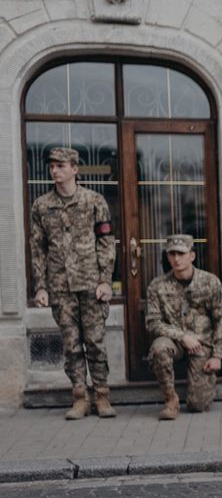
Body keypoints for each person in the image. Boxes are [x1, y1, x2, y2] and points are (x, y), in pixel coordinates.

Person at [29, 146, 116, 420]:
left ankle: (102, 395)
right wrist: (40, 286)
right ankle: (80, 397)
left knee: (95, 343)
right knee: (72, 345)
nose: (55, 170)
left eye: (61, 165)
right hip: (60, 287)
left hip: (91, 285)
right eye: (52, 166)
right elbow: (38, 248)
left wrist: (105, 281)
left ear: (75, 169)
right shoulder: (42, 206)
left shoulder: (94, 201)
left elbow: (106, 243)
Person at [145, 234, 222, 420]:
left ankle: (200, 386)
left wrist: (217, 355)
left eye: (181, 253)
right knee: (159, 348)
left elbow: (221, 319)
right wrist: (182, 336)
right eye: (171, 254)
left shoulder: (210, 282)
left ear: (192, 256)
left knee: (198, 405)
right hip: (175, 341)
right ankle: (171, 401)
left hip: (202, 343)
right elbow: (153, 322)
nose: (176, 258)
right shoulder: (157, 286)